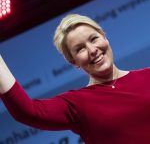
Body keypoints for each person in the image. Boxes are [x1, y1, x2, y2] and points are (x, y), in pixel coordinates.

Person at [0, 14, 150, 144]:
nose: (92, 50)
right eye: (80, 49)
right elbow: (26, 111)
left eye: (94, 39)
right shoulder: (77, 104)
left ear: (105, 37)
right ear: (73, 62)